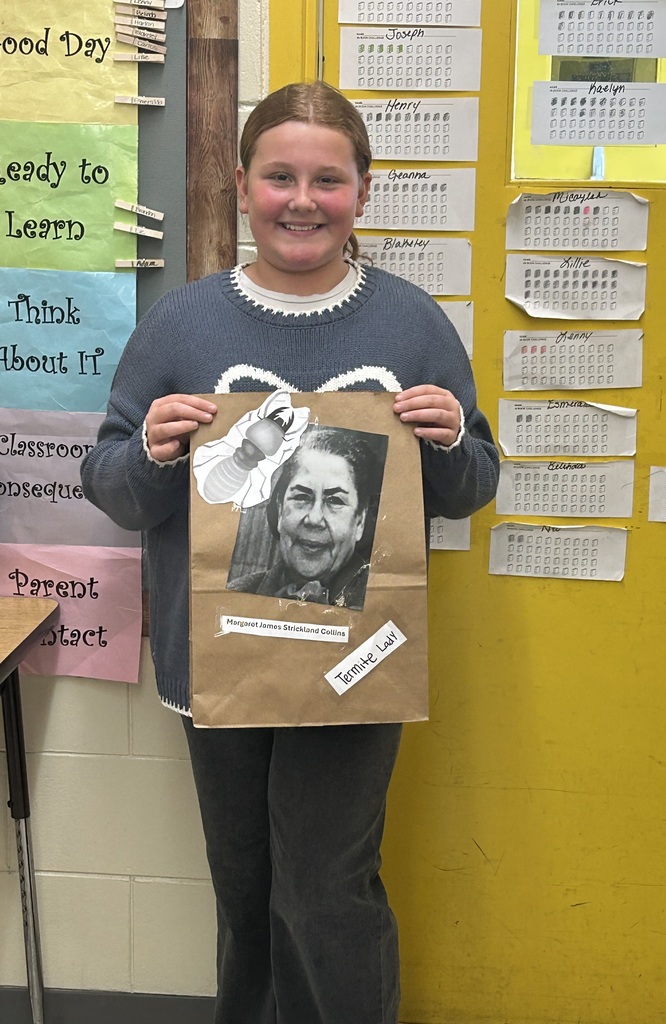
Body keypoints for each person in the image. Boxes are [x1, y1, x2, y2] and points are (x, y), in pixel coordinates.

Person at [81, 80, 499, 1024]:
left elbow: (474, 485)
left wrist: (447, 445)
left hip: (356, 666)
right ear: (241, 185)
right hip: (215, 661)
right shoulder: (183, 325)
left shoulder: (410, 323)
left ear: (363, 189)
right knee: (242, 887)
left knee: (325, 888)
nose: (302, 199)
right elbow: (109, 484)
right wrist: (148, 450)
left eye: (327, 178)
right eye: (279, 176)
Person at [227, 425, 384, 610]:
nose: (314, 519)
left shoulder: (384, 603)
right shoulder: (235, 594)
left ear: (360, 520)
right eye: (301, 497)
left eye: (334, 500)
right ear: (279, 510)